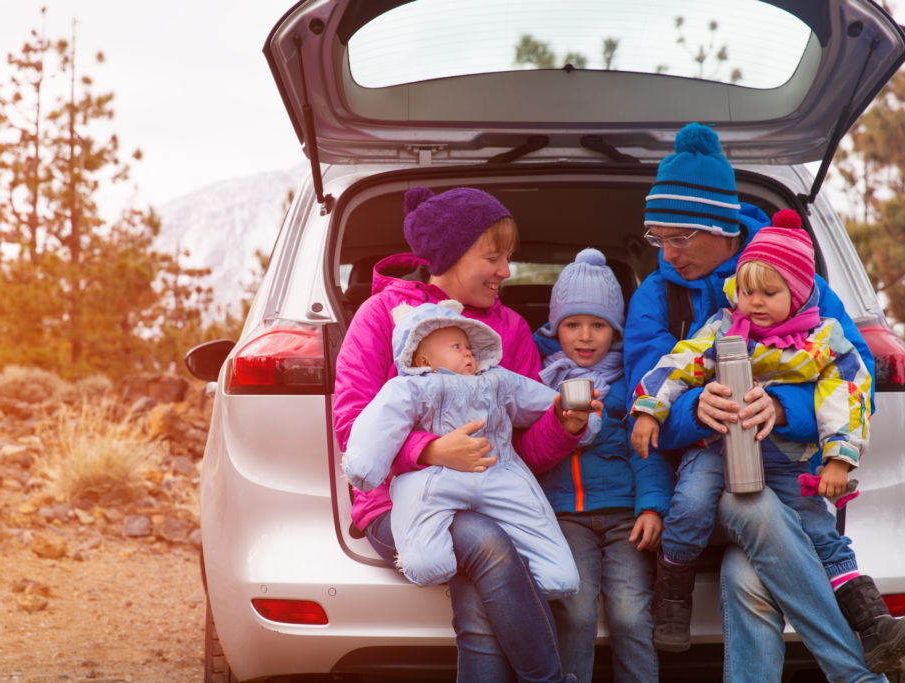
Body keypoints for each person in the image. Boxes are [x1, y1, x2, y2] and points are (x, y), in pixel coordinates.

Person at [624, 122, 899, 680]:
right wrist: (691, 408)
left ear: (721, 228)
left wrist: (779, 411)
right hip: (696, 486)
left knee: (748, 581)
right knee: (744, 502)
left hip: (787, 473)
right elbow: (650, 380)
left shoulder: (798, 280)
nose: (668, 253)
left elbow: (854, 372)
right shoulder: (659, 296)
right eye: (659, 238)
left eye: (680, 237)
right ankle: (858, 675)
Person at [333, 185, 584, 683]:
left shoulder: (509, 330)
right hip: (396, 503)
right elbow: (351, 424)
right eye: (492, 257)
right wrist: (428, 451)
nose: (506, 272)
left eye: (508, 257)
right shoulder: (382, 315)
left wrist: (563, 425)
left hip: (491, 496)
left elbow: (524, 452)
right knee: (485, 541)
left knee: (477, 596)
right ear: (446, 257)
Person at [344, 299, 591, 597]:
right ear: (423, 361)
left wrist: (570, 412)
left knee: (558, 573)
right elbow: (380, 423)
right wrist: (364, 467)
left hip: (499, 473)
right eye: (455, 347)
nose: (467, 352)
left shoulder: (498, 381)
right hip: (435, 477)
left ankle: (554, 575)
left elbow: (539, 401)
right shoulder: (409, 388)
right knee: (425, 552)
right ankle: (428, 560)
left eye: (468, 346)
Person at [530, 248, 673, 683]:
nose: (585, 336)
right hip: (565, 519)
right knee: (575, 610)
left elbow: (644, 451)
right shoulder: (538, 381)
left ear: (616, 331)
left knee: (630, 614)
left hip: (623, 518)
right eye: (573, 324)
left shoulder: (629, 385)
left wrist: (652, 508)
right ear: (556, 329)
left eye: (599, 325)